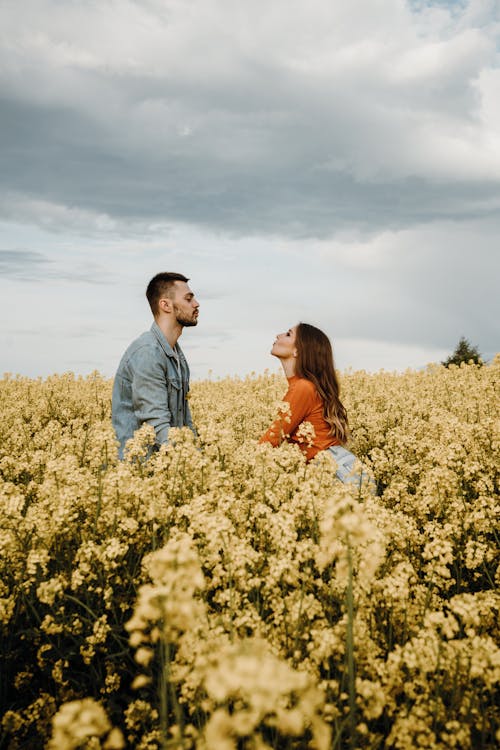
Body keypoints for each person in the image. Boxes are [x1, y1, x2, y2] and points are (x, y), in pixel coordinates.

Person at [260, 322, 373, 489]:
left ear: (298, 350)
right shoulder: (305, 386)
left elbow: (273, 438)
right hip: (342, 470)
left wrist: (243, 465)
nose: (278, 335)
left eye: (288, 334)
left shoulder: (303, 388)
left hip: (338, 474)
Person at [112, 272, 199, 459]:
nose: (196, 304)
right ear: (165, 305)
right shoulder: (148, 352)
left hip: (165, 466)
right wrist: (189, 463)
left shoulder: (176, 355)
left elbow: (184, 423)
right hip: (138, 471)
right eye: (189, 299)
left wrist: (200, 459)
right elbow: (156, 424)